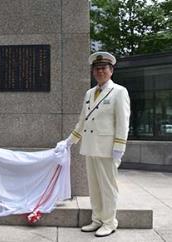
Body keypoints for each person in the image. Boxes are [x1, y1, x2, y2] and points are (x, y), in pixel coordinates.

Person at [67, 51, 130, 237]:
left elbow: (123, 123)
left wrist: (119, 148)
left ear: (111, 71)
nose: (99, 71)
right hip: (90, 147)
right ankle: (97, 219)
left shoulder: (119, 91)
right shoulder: (89, 93)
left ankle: (110, 222)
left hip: (108, 149)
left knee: (108, 187)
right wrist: (70, 141)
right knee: (94, 187)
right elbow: (82, 120)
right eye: (96, 69)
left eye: (103, 68)